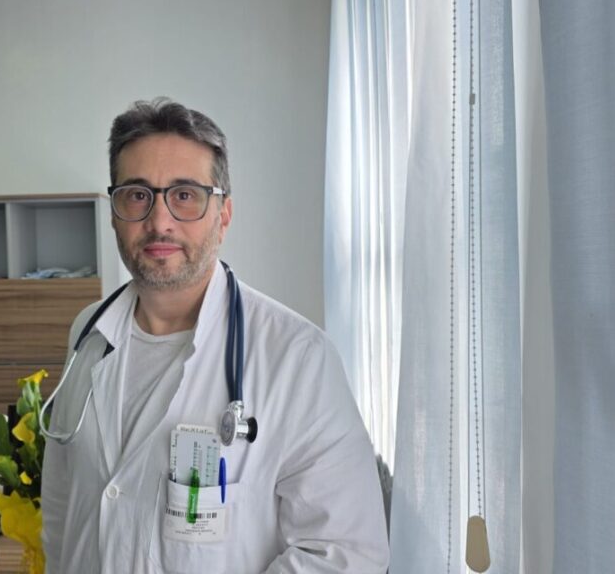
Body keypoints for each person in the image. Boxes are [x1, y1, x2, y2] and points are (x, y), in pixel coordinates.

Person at [41, 98, 389, 573]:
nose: (159, 221)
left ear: (222, 215)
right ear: (115, 212)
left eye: (185, 195)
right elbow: (64, 506)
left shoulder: (298, 358)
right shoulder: (89, 334)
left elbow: (346, 554)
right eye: (137, 195)